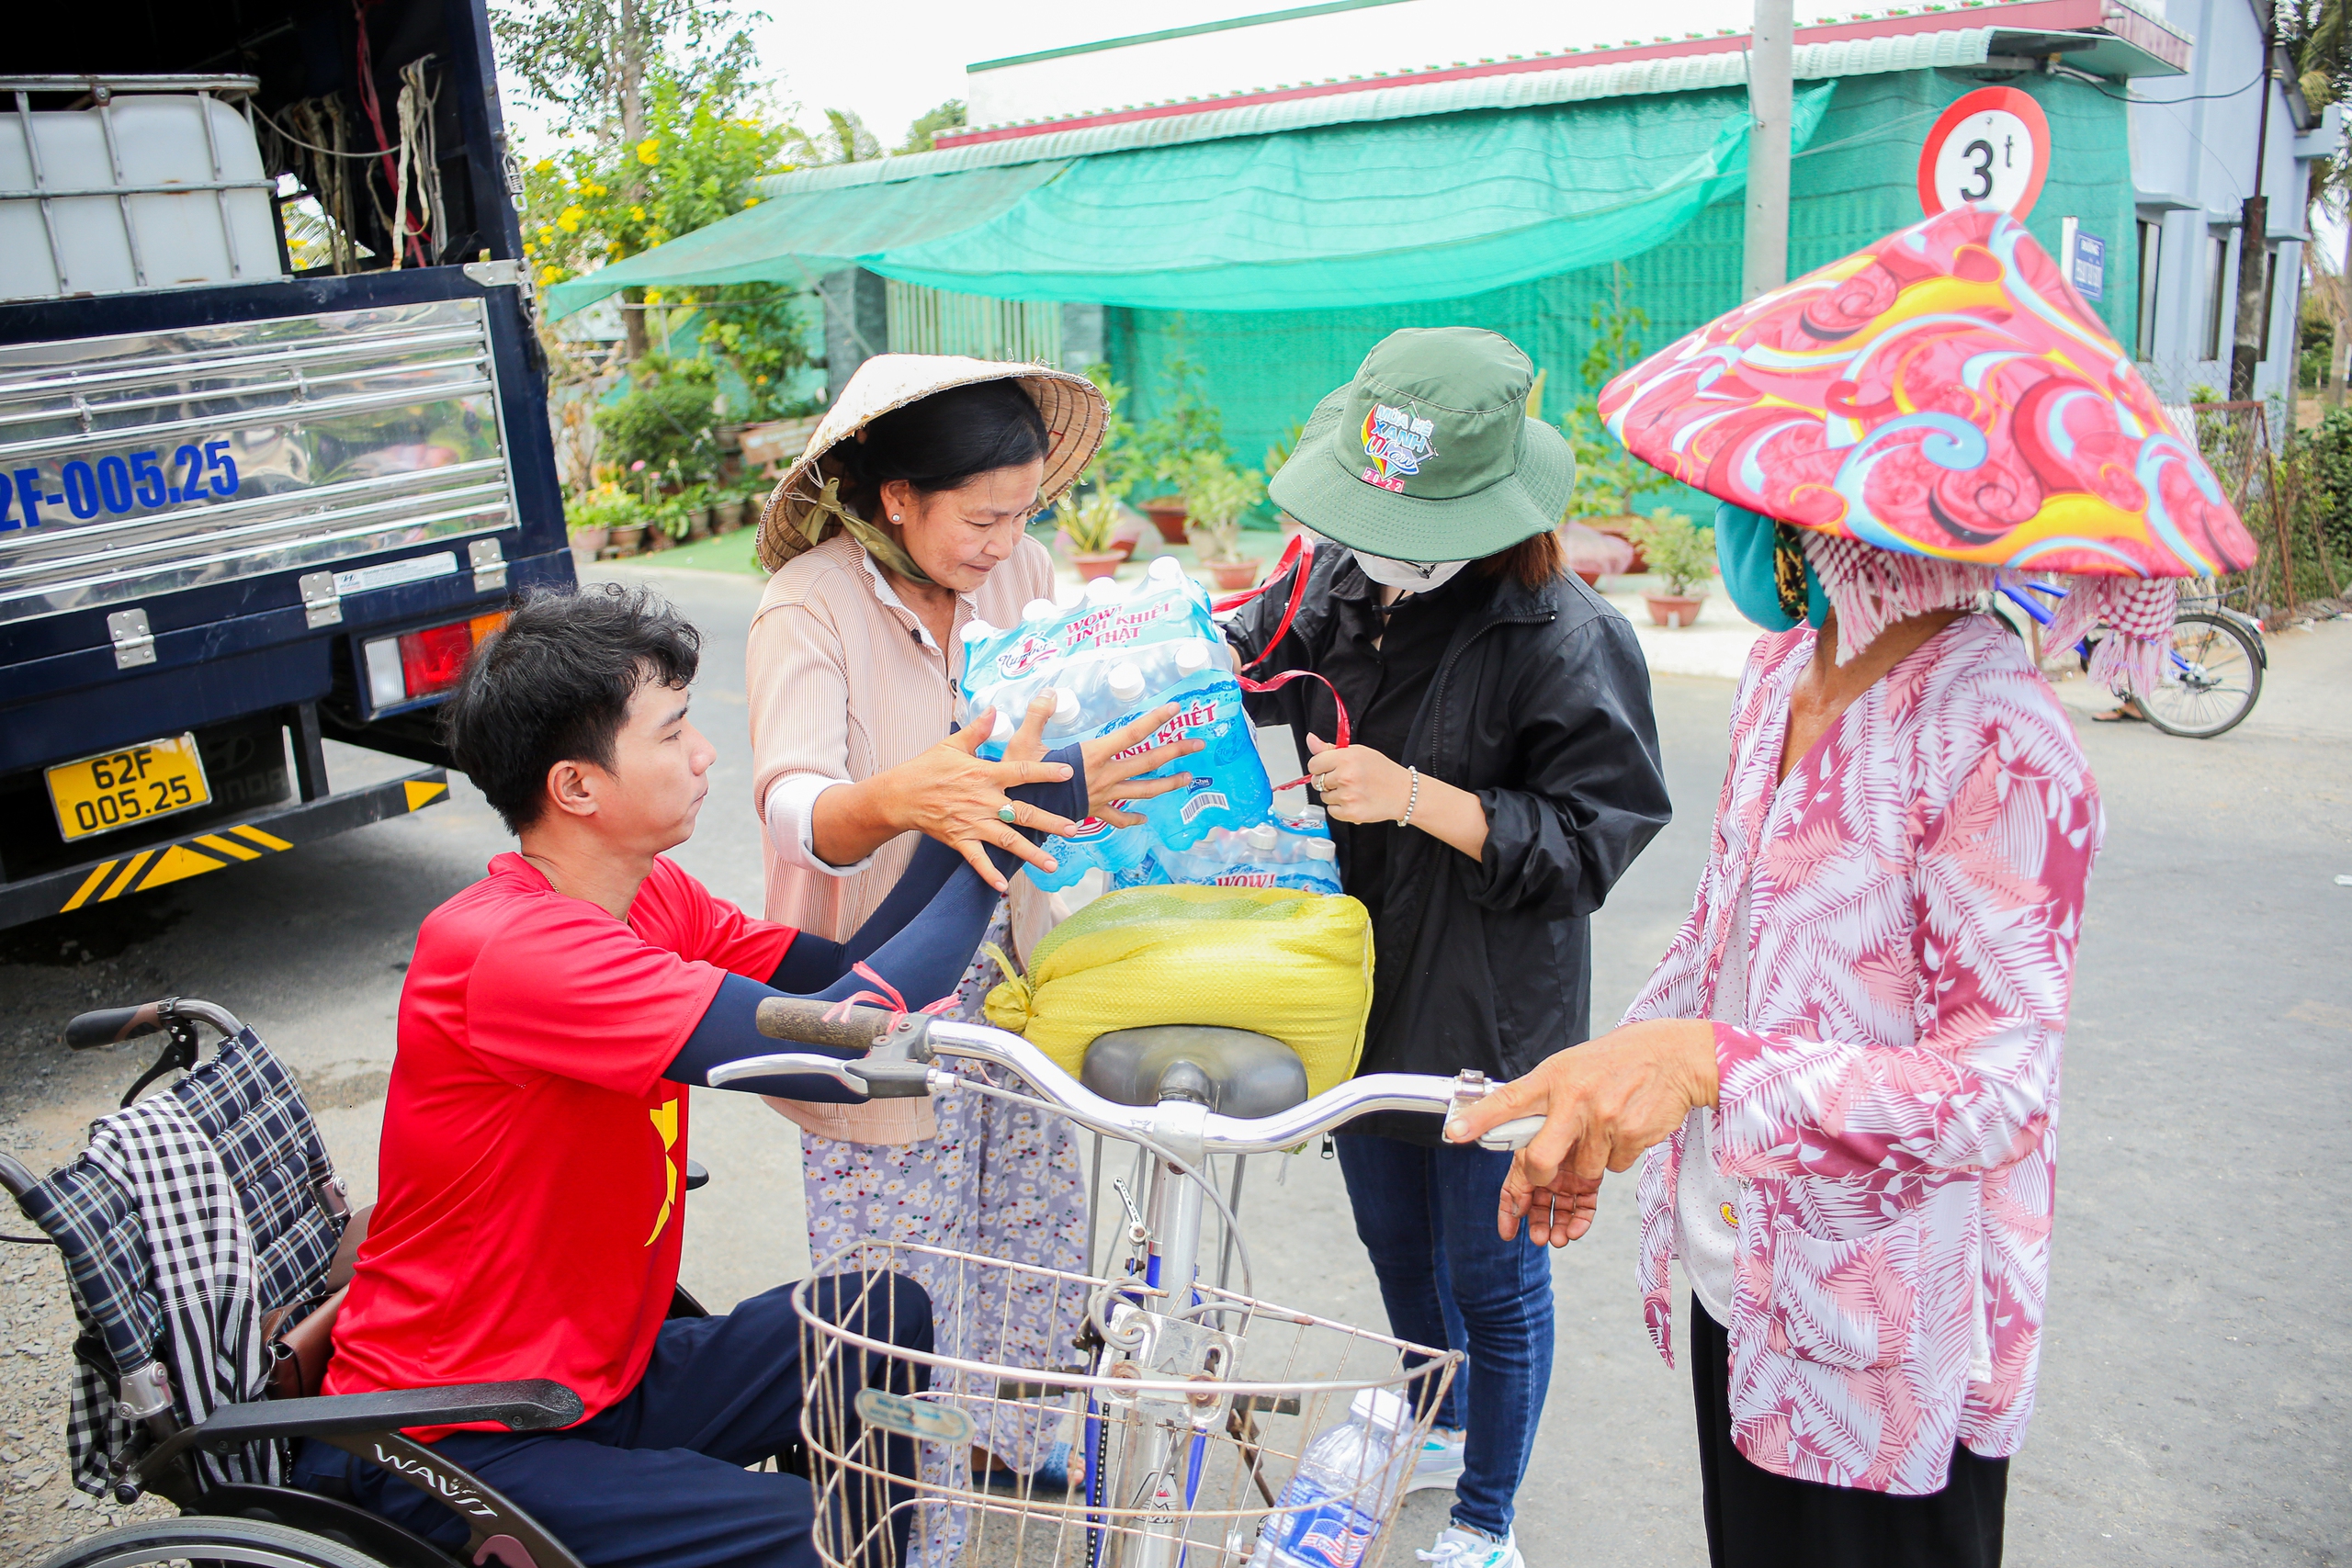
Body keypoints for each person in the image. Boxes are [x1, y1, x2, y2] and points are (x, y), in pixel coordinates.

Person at [1449, 205, 2257, 1568]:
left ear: (1839, 515)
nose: (1734, 517)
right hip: (1745, 1268)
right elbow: (1726, 950)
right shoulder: (1782, 678)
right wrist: (1607, 1091)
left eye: (1760, 493)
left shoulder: (2001, 738)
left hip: (1893, 1332)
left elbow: (1998, 1085)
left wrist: (1710, 1063)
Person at [292, 583, 1119, 1568]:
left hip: (597, 1375)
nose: (705, 751)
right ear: (577, 787)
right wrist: (1012, 818)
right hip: (464, 1429)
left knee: (882, 1318)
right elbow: (841, 1047)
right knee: (808, 1538)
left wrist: (982, 805)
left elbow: (843, 973)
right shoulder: (509, 948)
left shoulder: (650, 897)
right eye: (673, 729)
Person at [1226, 327, 1673, 1568]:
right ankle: (1442, 1415)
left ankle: (1487, 1518)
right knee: (1393, 1235)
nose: (1377, 549)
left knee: (1495, 1268)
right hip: (1355, 981)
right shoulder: (1336, 584)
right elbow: (1252, 666)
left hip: (1490, 1005)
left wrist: (1418, 795)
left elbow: (1592, 841)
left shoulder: (1568, 636)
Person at [743, 355, 1201, 1529]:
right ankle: (912, 1521)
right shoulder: (810, 603)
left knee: (1028, 1237)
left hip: (1016, 981)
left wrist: (1098, 785)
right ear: (897, 497)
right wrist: (917, 796)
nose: (1007, 544)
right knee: (902, 1280)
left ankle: (1004, 1441)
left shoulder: (1026, 575)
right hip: (884, 992)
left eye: (1024, 515)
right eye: (982, 517)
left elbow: (1054, 763)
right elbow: (795, 805)